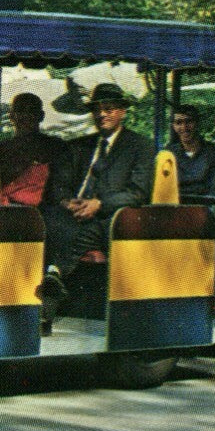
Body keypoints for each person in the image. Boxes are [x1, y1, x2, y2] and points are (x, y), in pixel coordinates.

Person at [39, 83, 156, 324]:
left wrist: (99, 204)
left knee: (84, 230)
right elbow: (59, 184)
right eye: (97, 110)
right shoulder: (79, 146)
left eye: (110, 109)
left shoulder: (140, 147)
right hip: (72, 213)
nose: (102, 115)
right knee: (43, 221)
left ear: (123, 111)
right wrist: (67, 202)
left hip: (111, 217)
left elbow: (138, 193)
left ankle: (54, 277)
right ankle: (49, 282)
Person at [0, 92, 67, 206]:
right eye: (21, 111)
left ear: (41, 116)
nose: (26, 116)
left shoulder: (56, 147)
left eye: (32, 111)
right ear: (12, 116)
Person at [168, 104, 215, 197]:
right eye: (179, 122)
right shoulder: (168, 154)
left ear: (198, 123)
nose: (184, 127)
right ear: (173, 126)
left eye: (189, 121)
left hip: (205, 206)